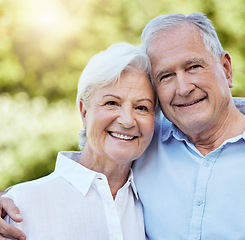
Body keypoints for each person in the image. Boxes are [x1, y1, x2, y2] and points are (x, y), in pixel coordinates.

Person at [1, 12, 245, 240]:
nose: (182, 87)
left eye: (193, 66)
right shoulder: (146, 145)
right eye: (166, 76)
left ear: (225, 68)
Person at [0, 42, 156, 240]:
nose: (127, 120)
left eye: (142, 107)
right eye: (111, 103)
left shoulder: (155, 204)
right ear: (84, 112)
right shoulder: (20, 205)